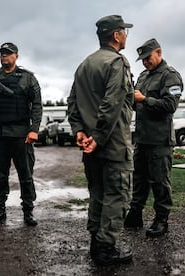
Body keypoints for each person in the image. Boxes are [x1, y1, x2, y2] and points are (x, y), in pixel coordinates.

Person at [67, 15, 134, 266]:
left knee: (97, 193)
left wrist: (79, 131)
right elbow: (112, 103)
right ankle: (106, 249)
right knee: (117, 195)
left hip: (91, 145)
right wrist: (99, 136)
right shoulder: (117, 62)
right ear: (116, 35)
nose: (126, 36)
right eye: (124, 32)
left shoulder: (84, 64)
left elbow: (72, 101)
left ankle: (97, 243)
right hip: (112, 144)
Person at [0, 42, 42, 226]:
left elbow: (37, 105)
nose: (4, 56)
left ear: (16, 56)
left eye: (8, 53)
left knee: (25, 174)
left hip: (22, 134)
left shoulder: (27, 78)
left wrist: (34, 130)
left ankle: (28, 211)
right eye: (2, 53)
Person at [124, 38, 183, 237]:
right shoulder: (142, 76)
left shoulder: (170, 76)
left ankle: (161, 220)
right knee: (139, 179)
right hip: (142, 138)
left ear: (159, 52)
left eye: (148, 58)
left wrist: (144, 99)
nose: (145, 62)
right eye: (142, 59)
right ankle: (135, 214)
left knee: (160, 181)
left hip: (159, 141)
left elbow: (170, 105)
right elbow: (136, 103)